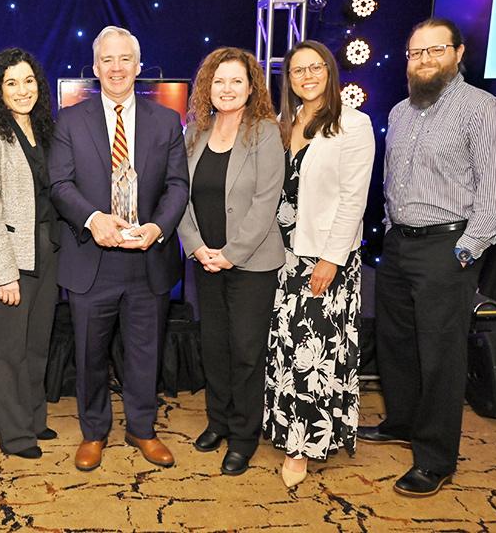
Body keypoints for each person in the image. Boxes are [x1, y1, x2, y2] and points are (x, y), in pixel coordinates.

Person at [358, 18, 496, 497]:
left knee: (441, 356)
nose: (423, 60)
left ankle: (434, 458)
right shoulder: (403, 111)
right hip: (400, 245)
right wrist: (390, 231)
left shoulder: (483, 109)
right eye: (415, 53)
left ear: (458, 52)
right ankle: (402, 421)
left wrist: (464, 251)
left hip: (449, 248)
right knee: (397, 343)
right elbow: (393, 185)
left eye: (434, 50)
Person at [49, 26, 189, 471]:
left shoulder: (166, 120)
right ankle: (94, 432)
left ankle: (142, 429)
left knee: (145, 351)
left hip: (147, 259)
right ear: (94, 68)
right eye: (106, 60)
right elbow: (59, 184)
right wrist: (93, 220)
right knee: (90, 354)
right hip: (92, 260)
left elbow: (176, 185)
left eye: (124, 59)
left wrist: (158, 227)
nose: (115, 68)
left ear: (138, 66)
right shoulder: (69, 120)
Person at [262, 40, 375, 488]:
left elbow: (353, 198)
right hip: (282, 254)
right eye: (296, 71)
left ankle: (302, 447)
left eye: (315, 68)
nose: (306, 76)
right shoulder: (282, 123)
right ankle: (284, 426)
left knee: (315, 353)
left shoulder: (353, 124)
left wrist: (331, 258)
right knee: (286, 348)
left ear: (330, 71)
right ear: (287, 79)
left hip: (324, 256)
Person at [177, 47, 284, 477]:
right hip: (204, 258)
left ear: (251, 86)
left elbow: (265, 202)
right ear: (208, 86)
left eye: (236, 81)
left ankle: (243, 436)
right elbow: (178, 194)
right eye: (219, 81)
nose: (227, 89)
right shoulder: (194, 132)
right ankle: (218, 421)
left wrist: (230, 254)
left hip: (252, 262)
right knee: (214, 346)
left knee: (245, 350)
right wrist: (196, 246)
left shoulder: (265, 131)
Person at [0, 48, 59, 459]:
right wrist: (3, 274)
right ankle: (16, 435)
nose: (23, 90)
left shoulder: (44, 128)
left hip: (45, 252)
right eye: (12, 83)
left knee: (36, 345)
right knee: (7, 351)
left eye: (29, 81)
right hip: (0, 258)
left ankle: (35, 419)